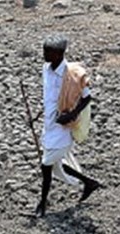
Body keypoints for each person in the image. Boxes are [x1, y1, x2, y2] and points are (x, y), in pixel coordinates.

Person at [34, 34, 101, 217]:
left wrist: (71, 114)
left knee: (46, 164)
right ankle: (89, 182)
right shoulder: (46, 69)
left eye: (48, 52)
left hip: (64, 127)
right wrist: (39, 115)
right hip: (49, 124)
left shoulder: (73, 74)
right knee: (55, 163)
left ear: (58, 54)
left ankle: (42, 204)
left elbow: (87, 98)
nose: (44, 54)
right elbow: (49, 98)